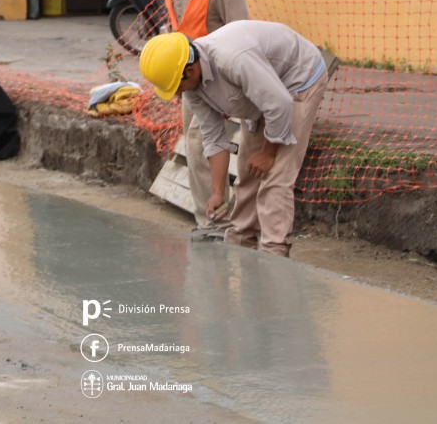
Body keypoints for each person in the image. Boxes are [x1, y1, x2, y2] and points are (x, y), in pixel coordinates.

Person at [139, 20, 331, 258]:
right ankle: (241, 239)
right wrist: (218, 192)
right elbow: (214, 138)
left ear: (190, 71)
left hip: (298, 81)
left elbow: (280, 105)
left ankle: (274, 252)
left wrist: (269, 153)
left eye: (177, 87)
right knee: (248, 170)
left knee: (276, 176)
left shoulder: (233, 59)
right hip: (264, 89)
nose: (177, 94)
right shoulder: (192, 87)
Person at [143, 0, 248, 229]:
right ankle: (212, 221)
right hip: (189, 80)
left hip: (223, 81)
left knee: (217, 147)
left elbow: (244, 41)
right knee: (197, 147)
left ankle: (223, 224)